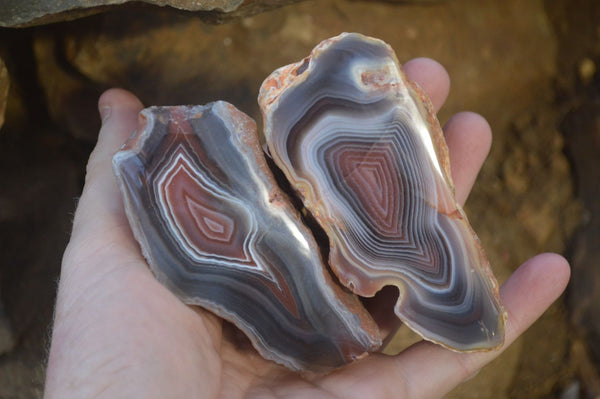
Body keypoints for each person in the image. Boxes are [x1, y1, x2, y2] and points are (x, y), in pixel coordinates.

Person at [43, 58, 570, 399]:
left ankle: (445, 294)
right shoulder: (177, 151)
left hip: (316, 327)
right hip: (305, 333)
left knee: (415, 257)